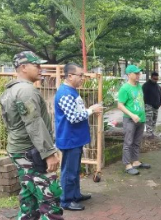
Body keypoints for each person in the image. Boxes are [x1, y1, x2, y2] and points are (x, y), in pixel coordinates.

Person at [0, 51, 64, 219]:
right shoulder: (26, 91)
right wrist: (49, 153)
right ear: (23, 67)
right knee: (51, 197)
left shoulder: (9, 91)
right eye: (37, 65)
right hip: (32, 152)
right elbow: (33, 123)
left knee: (29, 197)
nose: (41, 69)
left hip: (19, 149)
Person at [54, 63, 103, 211]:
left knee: (74, 169)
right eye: (80, 75)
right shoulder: (65, 93)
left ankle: (75, 194)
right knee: (69, 171)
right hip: (70, 139)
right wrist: (91, 110)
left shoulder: (72, 91)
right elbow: (73, 118)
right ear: (70, 76)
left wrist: (90, 110)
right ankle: (66, 200)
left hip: (75, 138)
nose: (82, 78)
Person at [118, 65, 151, 175]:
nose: (138, 75)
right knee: (128, 142)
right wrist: (132, 114)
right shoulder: (124, 88)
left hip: (140, 119)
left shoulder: (139, 86)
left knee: (137, 142)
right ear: (129, 74)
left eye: (139, 73)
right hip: (130, 120)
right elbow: (120, 105)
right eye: (136, 73)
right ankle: (127, 165)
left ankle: (136, 162)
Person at [142, 72, 161, 137]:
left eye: (157, 79)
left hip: (156, 106)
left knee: (154, 119)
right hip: (148, 105)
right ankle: (149, 133)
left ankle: (152, 132)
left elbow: (159, 94)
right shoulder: (146, 85)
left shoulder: (157, 86)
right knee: (149, 119)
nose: (155, 80)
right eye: (154, 79)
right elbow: (142, 96)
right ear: (151, 77)